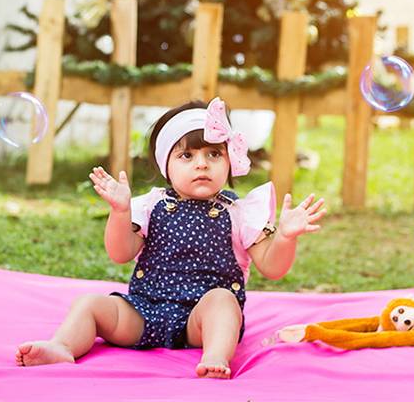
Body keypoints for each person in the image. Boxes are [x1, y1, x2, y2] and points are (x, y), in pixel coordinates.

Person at [16, 97, 327, 378]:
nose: (202, 163)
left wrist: (285, 237)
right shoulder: (151, 206)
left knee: (223, 300)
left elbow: (273, 268)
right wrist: (120, 212)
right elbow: (120, 253)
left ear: (229, 161)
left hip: (201, 323)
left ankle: (215, 357)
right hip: (143, 312)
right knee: (90, 304)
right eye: (187, 155)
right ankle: (62, 345)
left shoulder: (239, 213)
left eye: (214, 154)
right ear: (166, 165)